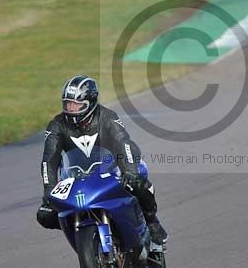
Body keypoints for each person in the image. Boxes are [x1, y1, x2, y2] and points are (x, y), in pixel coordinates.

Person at [35, 75, 168, 244]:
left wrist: (130, 171)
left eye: (77, 105)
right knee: (45, 215)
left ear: (90, 103)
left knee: (137, 182)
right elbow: (49, 160)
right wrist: (49, 191)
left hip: (113, 166)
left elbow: (123, 143)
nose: (71, 109)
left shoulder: (107, 117)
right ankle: (83, 231)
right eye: (68, 104)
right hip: (77, 175)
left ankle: (152, 222)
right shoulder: (57, 125)